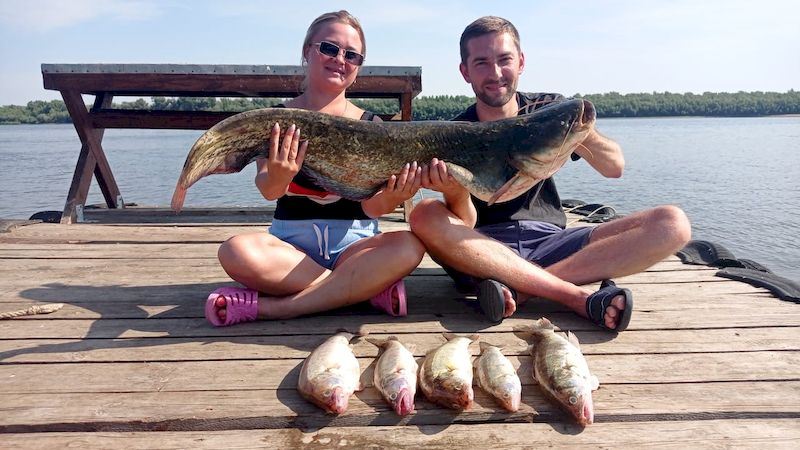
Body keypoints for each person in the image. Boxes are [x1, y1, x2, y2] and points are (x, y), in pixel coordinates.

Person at [409, 16, 692, 331]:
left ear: (521, 62)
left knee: (672, 224)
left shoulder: (550, 111)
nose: (495, 73)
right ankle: (574, 296)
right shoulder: (452, 133)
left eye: (504, 60)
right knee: (424, 214)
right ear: (465, 71)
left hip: (551, 242)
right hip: (480, 249)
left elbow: (614, 167)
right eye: (481, 63)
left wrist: (576, 128)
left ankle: (524, 290)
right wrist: (451, 190)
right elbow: (463, 220)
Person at [206, 10, 425, 326]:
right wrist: (280, 176)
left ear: (358, 66)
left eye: (352, 55)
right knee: (234, 251)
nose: (340, 59)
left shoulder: (373, 126)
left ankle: (279, 307)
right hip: (290, 250)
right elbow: (268, 190)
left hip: (356, 247)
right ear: (307, 50)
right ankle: (360, 289)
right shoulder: (276, 118)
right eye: (329, 48)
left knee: (409, 245)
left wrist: (393, 197)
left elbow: (373, 209)